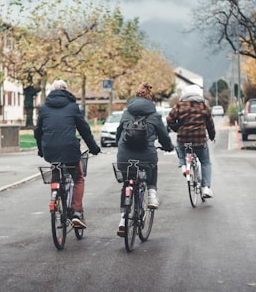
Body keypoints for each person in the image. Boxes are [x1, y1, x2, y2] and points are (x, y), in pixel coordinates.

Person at [34, 79, 100, 228]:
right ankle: (76, 211)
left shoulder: (44, 108)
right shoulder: (72, 107)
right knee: (78, 178)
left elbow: (38, 132)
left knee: (55, 176)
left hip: (50, 150)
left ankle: (56, 202)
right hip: (70, 149)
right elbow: (84, 130)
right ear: (65, 90)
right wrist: (94, 147)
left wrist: (41, 149)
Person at [115, 82, 174, 236]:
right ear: (150, 98)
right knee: (153, 166)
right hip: (146, 155)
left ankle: (123, 219)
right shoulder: (154, 115)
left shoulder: (126, 113)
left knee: (127, 183)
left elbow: (118, 132)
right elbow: (163, 137)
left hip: (124, 155)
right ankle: (152, 195)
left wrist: (119, 145)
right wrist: (169, 147)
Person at [166, 84, 216, 198]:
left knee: (180, 147)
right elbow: (210, 124)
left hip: (183, 138)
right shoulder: (203, 106)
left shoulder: (179, 106)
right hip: (200, 140)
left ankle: (183, 165)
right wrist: (212, 136)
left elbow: (169, 119)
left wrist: (177, 129)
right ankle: (206, 188)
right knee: (205, 162)